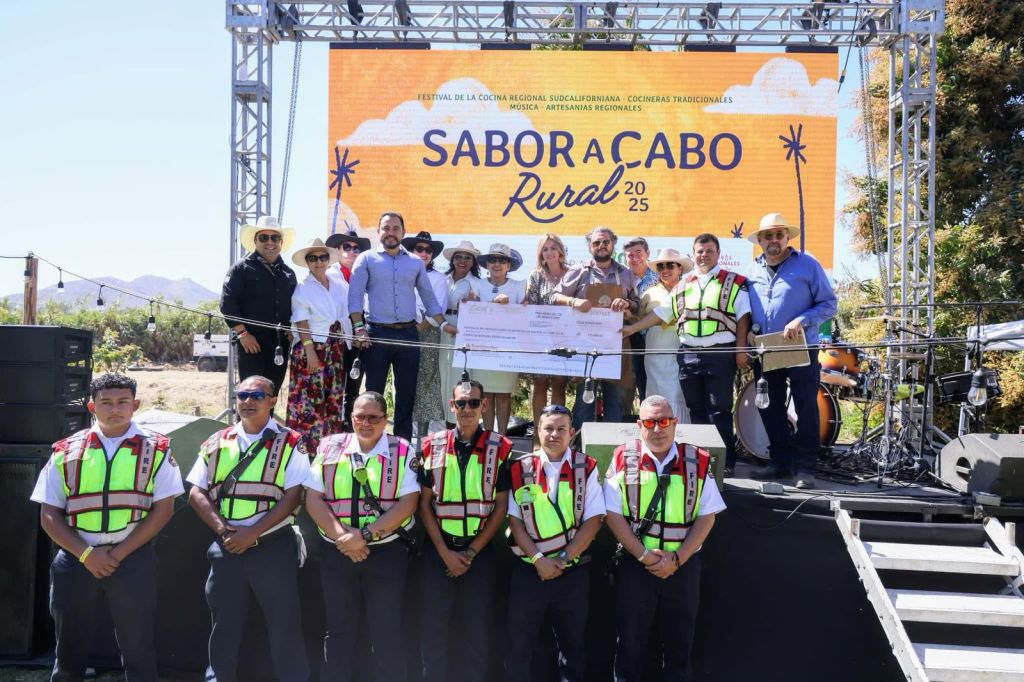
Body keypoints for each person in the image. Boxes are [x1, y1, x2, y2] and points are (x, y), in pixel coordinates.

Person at [31, 373, 184, 682]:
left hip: (133, 558)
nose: (115, 409)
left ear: (135, 404)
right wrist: (87, 554)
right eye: (106, 403)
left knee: (138, 644)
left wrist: (119, 553)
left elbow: (163, 510)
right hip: (75, 558)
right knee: (69, 646)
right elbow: (49, 514)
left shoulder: (156, 449)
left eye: (122, 402)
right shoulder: (66, 450)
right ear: (91, 406)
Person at [186, 375, 310, 682]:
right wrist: (225, 531)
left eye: (257, 395)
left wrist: (253, 533)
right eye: (242, 395)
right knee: (224, 623)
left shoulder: (292, 442)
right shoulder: (216, 442)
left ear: (272, 400)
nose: (248, 401)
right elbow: (195, 493)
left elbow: (294, 495)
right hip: (226, 546)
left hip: (273, 545)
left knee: (284, 624)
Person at [603, 395, 726, 682]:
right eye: (649, 422)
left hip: (682, 568)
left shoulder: (696, 460)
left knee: (679, 648)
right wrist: (643, 556)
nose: (658, 429)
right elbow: (611, 513)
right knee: (629, 645)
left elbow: (708, 516)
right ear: (639, 425)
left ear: (675, 423)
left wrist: (679, 558)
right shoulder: (623, 457)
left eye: (664, 421)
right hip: (637, 565)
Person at [303, 392, 420, 682]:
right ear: (351, 416)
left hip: (385, 555)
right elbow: (313, 499)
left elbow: (408, 504)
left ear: (385, 420)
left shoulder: (403, 450)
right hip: (336, 553)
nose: (365, 423)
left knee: (386, 632)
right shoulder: (330, 447)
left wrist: (364, 537)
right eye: (359, 416)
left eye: (373, 417)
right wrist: (344, 538)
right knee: (339, 631)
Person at [623, 234, 750, 476]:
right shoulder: (684, 286)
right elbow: (661, 314)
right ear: (694, 254)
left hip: (720, 352)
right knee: (695, 409)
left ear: (718, 253)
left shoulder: (733, 282)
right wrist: (631, 328)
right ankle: (698, 459)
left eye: (708, 251)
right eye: (700, 251)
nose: (704, 255)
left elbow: (743, 316)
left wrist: (741, 348)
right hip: (690, 354)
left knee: (719, 409)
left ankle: (725, 462)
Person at [417, 380, 514, 682]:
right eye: (462, 403)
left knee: (478, 634)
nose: (467, 408)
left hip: (479, 553)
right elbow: (424, 504)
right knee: (433, 634)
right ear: (452, 406)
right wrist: (445, 553)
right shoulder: (431, 445)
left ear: (484, 405)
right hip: (439, 551)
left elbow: (500, 507)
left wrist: (471, 552)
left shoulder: (501, 447)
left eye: (474, 402)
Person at [504, 404, 605, 682]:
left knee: (573, 650)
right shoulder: (520, 468)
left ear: (572, 433)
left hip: (571, 573)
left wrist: (561, 560)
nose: (554, 434)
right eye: (548, 428)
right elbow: (514, 522)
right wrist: (539, 560)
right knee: (518, 648)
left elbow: (594, 520)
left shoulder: (587, 468)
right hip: (529, 571)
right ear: (537, 431)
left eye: (561, 429)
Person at [745, 213, 837, 488]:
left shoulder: (808, 265)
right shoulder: (751, 271)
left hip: (801, 346)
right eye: (768, 236)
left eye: (779, 235)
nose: (774, 240)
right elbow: (744, 309)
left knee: (806, 404)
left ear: (787, 238)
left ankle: (805, 468)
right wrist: (748, 328)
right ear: (760, 240)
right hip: (766, 348)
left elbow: (828, 304)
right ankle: (780, 462)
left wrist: (802, 320)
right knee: (769, 405)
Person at [348, 211, 454, 439]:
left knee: (406, 395)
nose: (390, 233)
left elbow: (429, 298)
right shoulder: (366, 259)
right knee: (373, 393)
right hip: (376, 334)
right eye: (386, 228)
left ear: (403, 233)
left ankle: (403, 448)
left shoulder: (415, 262)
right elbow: (354, 297)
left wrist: (444, 324)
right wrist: (359, 328)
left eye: (396, 228)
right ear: (378, 232)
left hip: (408, 334)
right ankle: (370, 442)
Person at [552, 226, 640, 428]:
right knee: (585, 399)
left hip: (616, 344)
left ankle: (614, 450)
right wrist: (574, 302)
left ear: (613, 244)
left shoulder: (625, 273)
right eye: (596, 243)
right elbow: (555, 296)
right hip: (585, 345)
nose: (601, 246)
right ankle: (580, 448)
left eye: (605, 242)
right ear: (589, 246)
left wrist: (627, 304)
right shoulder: (578, 270)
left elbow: (636, 303)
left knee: (616, 400)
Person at [221, 215, 297, 395]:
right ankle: (246, 425)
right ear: (255, 241)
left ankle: (267, 424)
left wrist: (291, 328)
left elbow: (296, 305)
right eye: (264, 238)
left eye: (275, 238)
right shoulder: (240, 269)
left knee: (272, 393)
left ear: (281, 242)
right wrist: (243, 334)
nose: (270, 242)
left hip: (280, 345)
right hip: (251, 343)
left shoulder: (288, 273)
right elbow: (228, 304)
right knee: (251, 395)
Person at [287, 237, 348, 453]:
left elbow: (346, 314)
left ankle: (330, 450)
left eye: (323, 257)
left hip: (335, 349)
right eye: (313, 258)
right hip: (312, 348)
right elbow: (301, 319)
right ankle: (305, 453)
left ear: (329, 260)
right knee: (309, 404)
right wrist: (309, 350)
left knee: (332, 400)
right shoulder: (303, 287)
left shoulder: (339, 285)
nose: (319, 262)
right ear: (308, 262)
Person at [633, 248, 694, 422]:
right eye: (660, 266)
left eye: (670, 265)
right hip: (655, 349)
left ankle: (682, 439)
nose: (665, 270)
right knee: (656, 392)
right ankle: (654, 428)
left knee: (679, 392)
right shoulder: (648, 294)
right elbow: (639, 321)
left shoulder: (691, 290)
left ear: (680, 268)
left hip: (681, 346)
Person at [474, 243, 526, 435]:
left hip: (508, 348)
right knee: (485, 394)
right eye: (493, 260)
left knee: (504, 395)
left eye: (502, 260)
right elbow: (473, 312)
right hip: (483, 347)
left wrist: (509, 305)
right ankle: (487, 437)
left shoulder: (519, 286)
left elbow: (523, 315)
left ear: (509, 265)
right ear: (487, 264)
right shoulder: (476, 284)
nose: (497, 264)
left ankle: (502, 438)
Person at [403, 230, 450, 439]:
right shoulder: (403, 273)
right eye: (419, 248)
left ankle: (425, 438)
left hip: (427, 333)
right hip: (402, 331)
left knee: (426, 383)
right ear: (411, 250)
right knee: (404, 382)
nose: (423, 253)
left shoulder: (439, 278)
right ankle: (406, 434)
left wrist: (416, 329)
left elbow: (437, 310)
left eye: (428, 250)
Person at [525, 233, 570, 442]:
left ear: (560, 250)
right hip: (541, 337)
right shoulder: (535, 276)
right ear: (541, 254)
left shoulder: (572, 273)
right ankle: (539, 435)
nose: (550, 252)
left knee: (560, 383)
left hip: (567, 337)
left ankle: (558, 433)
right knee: (540, 383)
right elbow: (531, 305)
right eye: (545, 249)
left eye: (553, 248)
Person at [326, 229, 371, 429]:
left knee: (354, 385)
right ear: (337, 250)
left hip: (361, 335)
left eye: (356, 248)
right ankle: (332, 428)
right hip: (334, 338)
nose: (352, 251)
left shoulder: (366, 274)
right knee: (333, 386)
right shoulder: (328, 274)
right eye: (347, 247)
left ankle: (349, 427)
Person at [438, 240, 487, 409]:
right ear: (452, 260)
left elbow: (484, 310)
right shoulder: (442, 279)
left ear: (473, 262)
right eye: (458, 257)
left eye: (467, 258)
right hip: (441, 325)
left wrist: (474, 304)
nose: (462, 261)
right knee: (441, 370)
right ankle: (442, 418)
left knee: (458, 372)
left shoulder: (477, 283)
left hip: (464, 329)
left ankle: (456, 415)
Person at [623, 237, 658, 402]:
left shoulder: (659, 277)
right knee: (635, 385)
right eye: (630, 255)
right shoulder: (623, 278)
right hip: (630, 337)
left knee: (656, 383)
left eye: (639, 253)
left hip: (656, 338)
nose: (635, 258)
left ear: (648, 253)